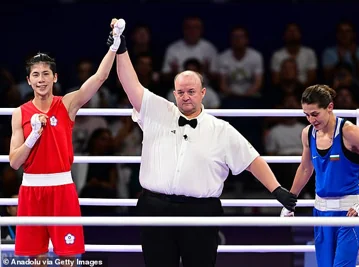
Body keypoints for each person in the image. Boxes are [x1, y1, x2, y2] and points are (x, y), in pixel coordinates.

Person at [107, 20, 297, 267]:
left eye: (191, 91)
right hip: (155, 207)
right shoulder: (156, 110)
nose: (186, 97)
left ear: (203, 93)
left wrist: (277, 190)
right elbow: (129, 82)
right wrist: (121, 50)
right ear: (174, 94)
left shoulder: (220, 129)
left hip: (200, 212)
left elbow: (252, 160)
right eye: (181, 92)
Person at [8, 18, 126, 266]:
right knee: (36, 259)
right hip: (31, 190)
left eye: (46, 74)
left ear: (55, 77)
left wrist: (114, 45)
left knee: (68, 257)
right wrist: (33, 135)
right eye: (36, 75)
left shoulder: (67, 104)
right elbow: (14, 162)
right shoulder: (19, 113)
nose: (41, 79)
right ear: (28, 80)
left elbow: (99, 77)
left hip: (62, 189)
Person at [281, 84, 359, 267]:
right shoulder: (307, 133)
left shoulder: (349, 132)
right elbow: (305, 169)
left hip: (349, 212)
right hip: (321, 212)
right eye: (306, 115)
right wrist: (290, 201)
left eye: (315, 114)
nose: (311, 120)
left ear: (330, 107)